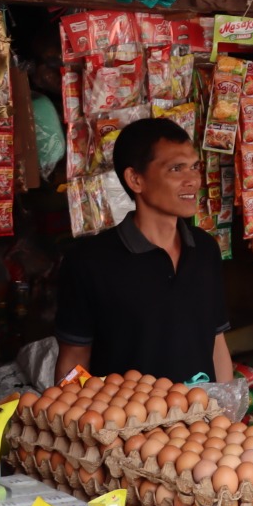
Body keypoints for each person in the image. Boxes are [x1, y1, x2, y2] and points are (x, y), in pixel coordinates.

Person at [55, 118, 234, 383]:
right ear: (135, 179)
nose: (193, 180)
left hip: (201, 418)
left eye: (194, 167)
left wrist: (225, 413)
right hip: (123, 422)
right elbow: (74, 358)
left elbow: (216, 342)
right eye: (176, 169)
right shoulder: (90, 262)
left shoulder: (205, 249)